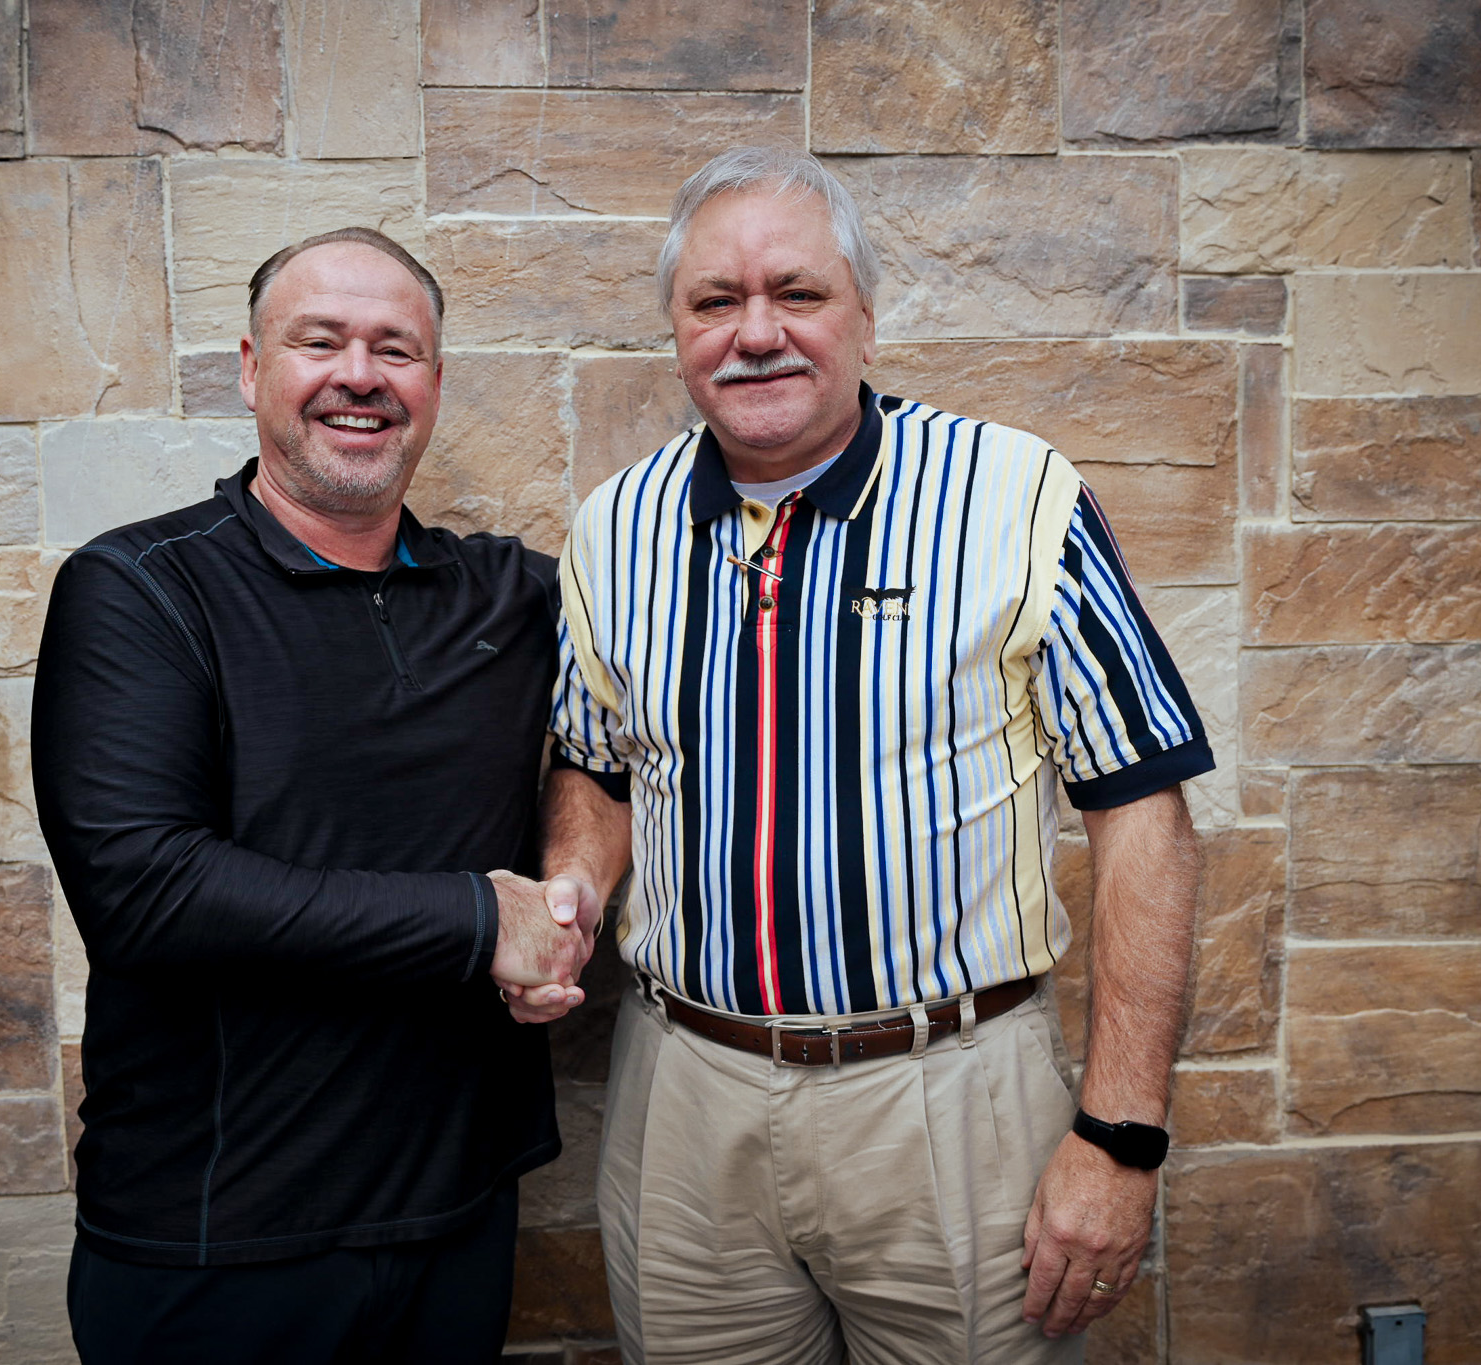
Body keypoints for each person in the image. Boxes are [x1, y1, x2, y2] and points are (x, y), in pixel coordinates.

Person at [512, 149, 1211, 1363]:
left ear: (866, 319)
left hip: (948, 1099)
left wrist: (1119, 1137)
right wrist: (573, 884)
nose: (756, 333)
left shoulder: (1013, 497)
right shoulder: (613, 528)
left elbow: (1140, 813)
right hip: (685, 1095)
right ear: (675, 331)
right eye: (715, 301)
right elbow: (595, 763)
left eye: (797, 292)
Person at [33, 226, 595, 1365]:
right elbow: (145, 889)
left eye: (395, 348)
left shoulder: (511, 595)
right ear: (252, 370)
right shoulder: (141, 588)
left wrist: (571, 889)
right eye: (319, 341)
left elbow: (623, 733)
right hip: (216, 1241)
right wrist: (481, 918)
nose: (359, 374)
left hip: (456, 1214)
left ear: (433, 383)